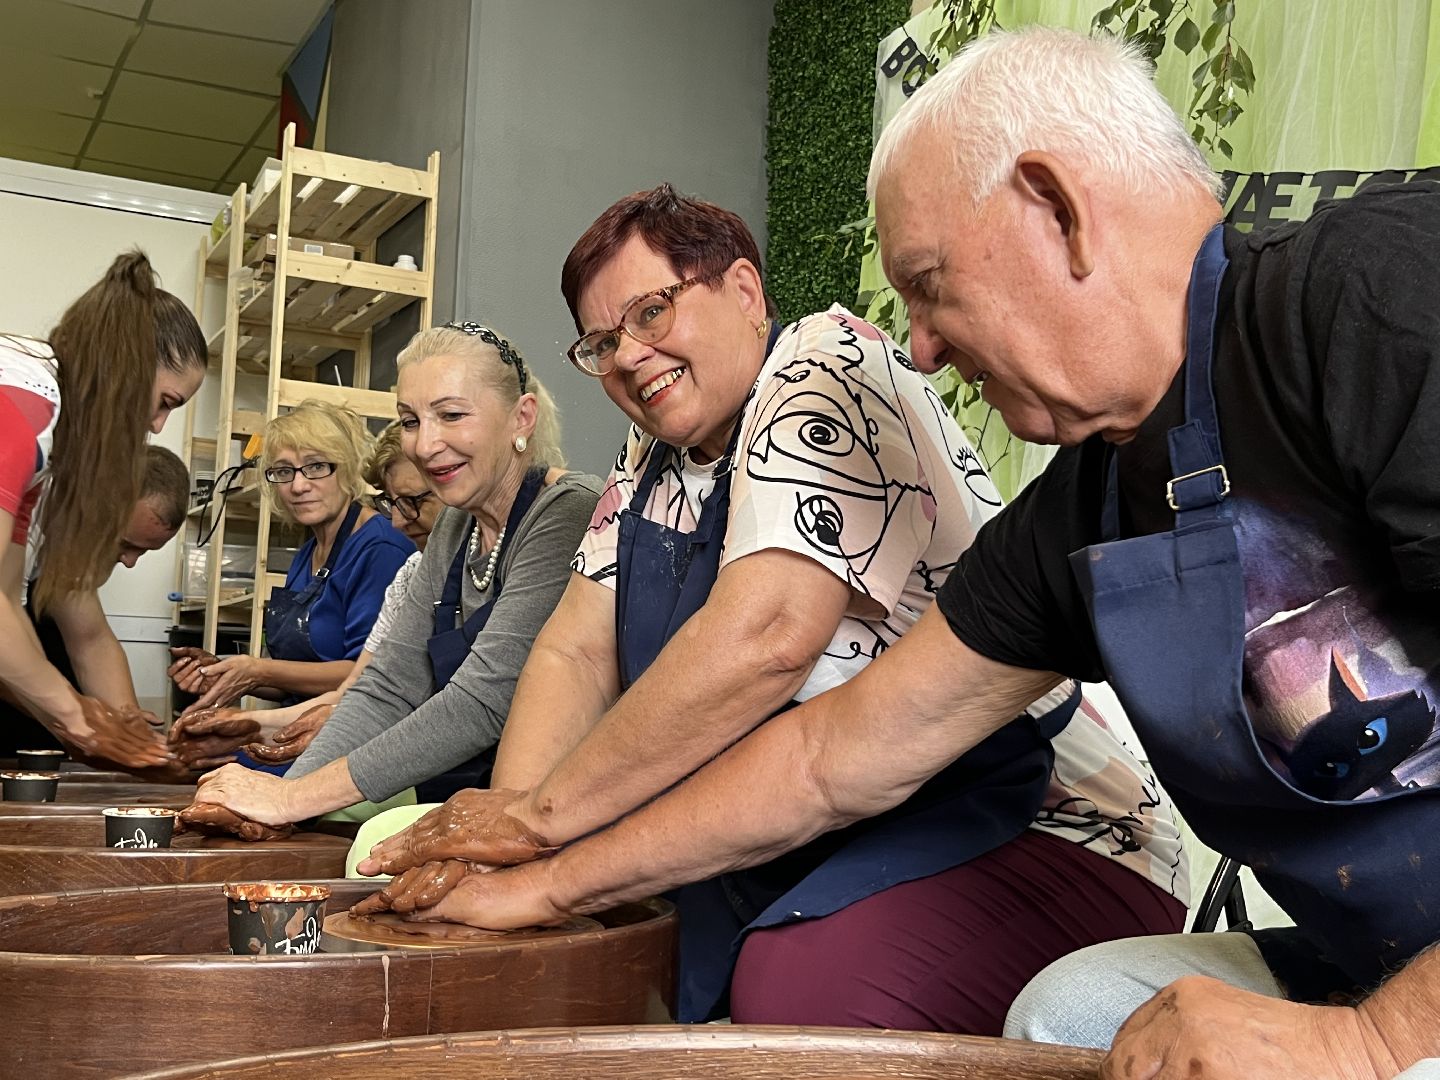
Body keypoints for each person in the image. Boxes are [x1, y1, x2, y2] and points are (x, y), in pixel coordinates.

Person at [349, 29, 1440, 1079]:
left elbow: (771, 642)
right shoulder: (1085, 506)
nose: (919, 344)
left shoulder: (1372, 294)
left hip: (1394, 993)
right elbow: (834, 757)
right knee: (1075, 1016)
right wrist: (545, 886)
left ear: (1056, 211)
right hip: (1373, 956)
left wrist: (1371, 1045)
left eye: (927, 281)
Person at [350, 185, 1187, 1034]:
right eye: (602, 343)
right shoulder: (651, 454)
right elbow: (575, 649)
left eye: (650, 313)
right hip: (804, 809)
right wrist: (509, 838)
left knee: (802, 997)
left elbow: (767, 639)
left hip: (1042, 822)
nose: (629, 356)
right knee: (603, 953)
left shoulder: (827, 364)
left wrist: (536, 826)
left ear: (745, 292)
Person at [183, 323, 601, 824]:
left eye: (451, 415)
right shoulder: (455, 523)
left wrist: (292, 800)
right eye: (409, 421)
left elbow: (484, 699)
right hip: (455, 794)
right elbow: (387, 686)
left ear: (522, 417)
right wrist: (280, 802)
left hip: (548, 810)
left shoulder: (568, 512)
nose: (425, 445)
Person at [1, 251, 204, 768]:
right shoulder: (24, 397)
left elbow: (9, 601)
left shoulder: (53, 442)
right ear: (126, 368)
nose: (158, 427)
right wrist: (73, 716)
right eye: (165, 401)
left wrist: (120, 732)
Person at [167, 421, 442, 770]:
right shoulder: (306, 555)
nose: (298, 485)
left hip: (354, 738)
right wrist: (227, 673)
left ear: (347, 469)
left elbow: (369, 682)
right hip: (302, 724)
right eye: (283, 471)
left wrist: (259, 673)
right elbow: (290, 684)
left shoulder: (382, 547)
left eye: (315, 467)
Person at [0, 445, 190, 755]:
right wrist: (82, 717)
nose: (129, 562)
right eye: (125, 544)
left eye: (143, 552)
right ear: (100, 507)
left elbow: (91, 641)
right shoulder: (25, 510)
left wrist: (129, 728)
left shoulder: (72, 549)